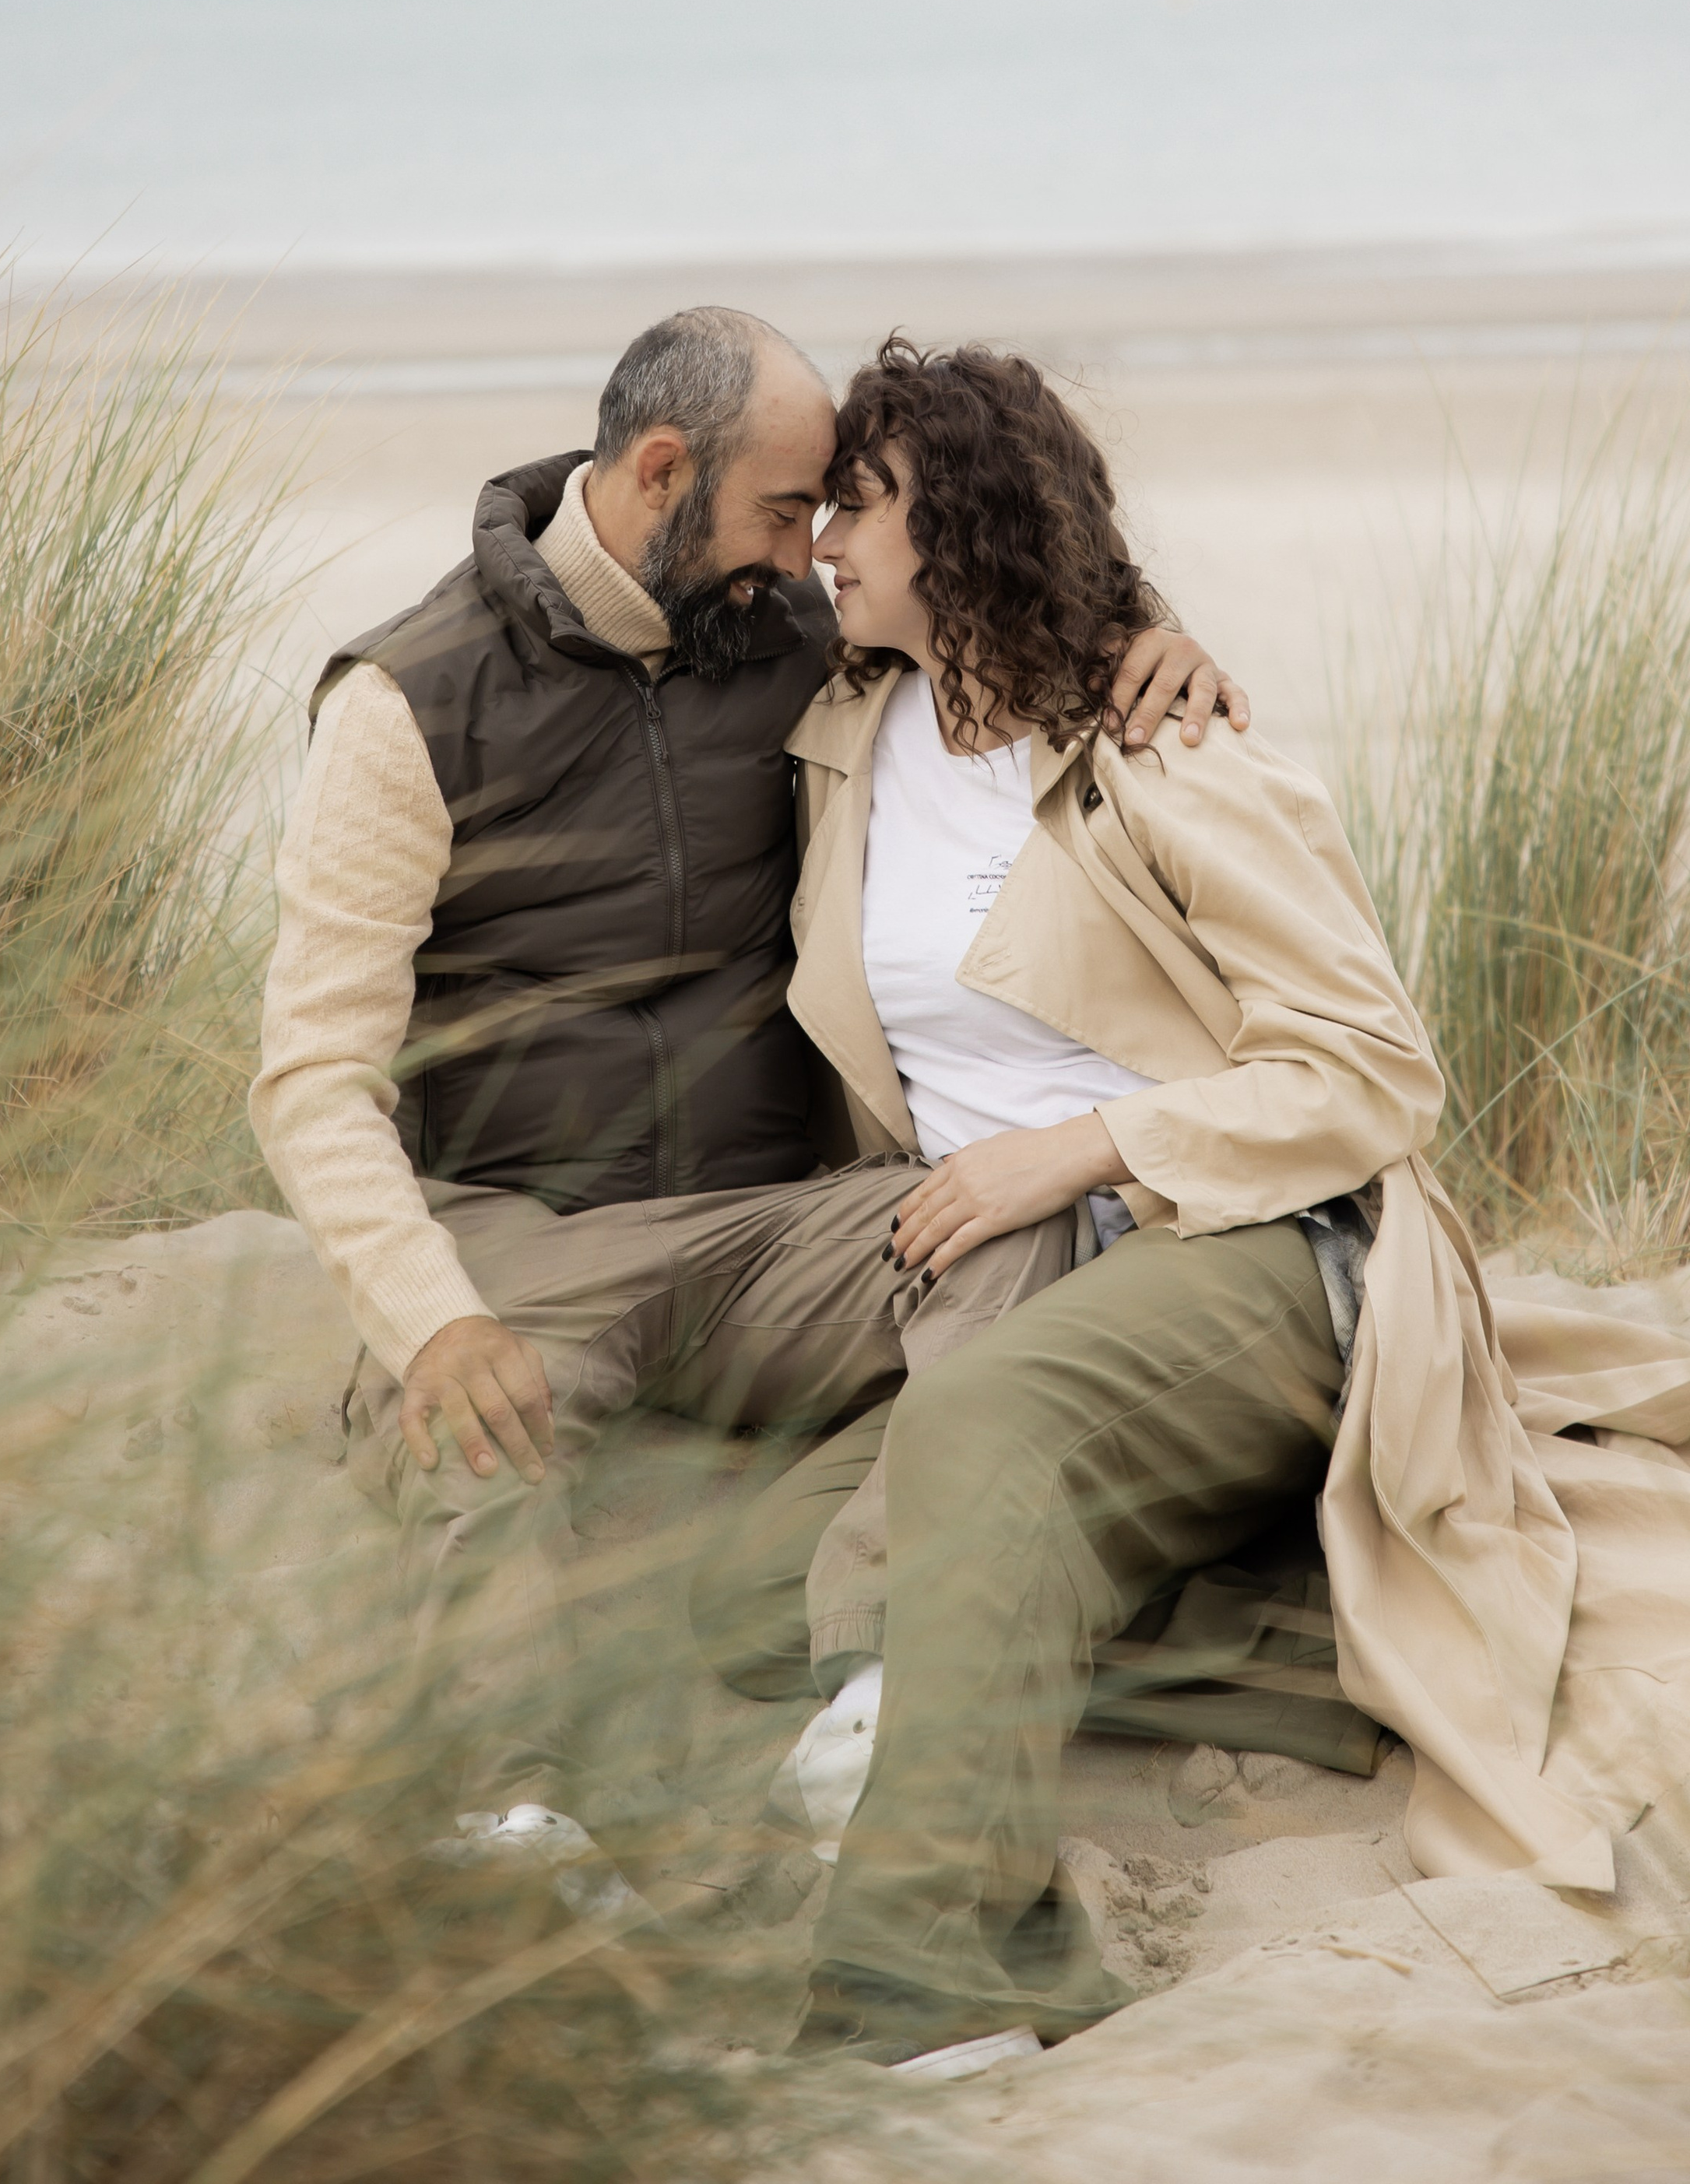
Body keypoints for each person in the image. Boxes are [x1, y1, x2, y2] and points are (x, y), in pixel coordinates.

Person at [691, 334, 1690, 2076]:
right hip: (991, 1268)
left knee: (982, 1445)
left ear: (970, 532)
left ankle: (906, 1976)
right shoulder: (846, 727)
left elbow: (1371, 1074)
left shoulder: (1160, 754)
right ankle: (1041, 1880)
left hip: (1247, 1250)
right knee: (746, 1574)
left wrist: (1084, 1149)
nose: (825, 540)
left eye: (861, 504)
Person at [249, 303, 1243, 1895]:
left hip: (784, 1228)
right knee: (472, 1428)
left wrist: (1147, 636)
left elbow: (1003, 601)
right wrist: (430, 1315)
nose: (808, 554)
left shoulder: (789, 629)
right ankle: (512, 1824)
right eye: (785, 511)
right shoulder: (405, 703)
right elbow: (311, 1074)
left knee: (1002, 1218)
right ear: (659, 474)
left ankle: (876, 1693)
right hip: (531, 1246)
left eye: (825, 519)